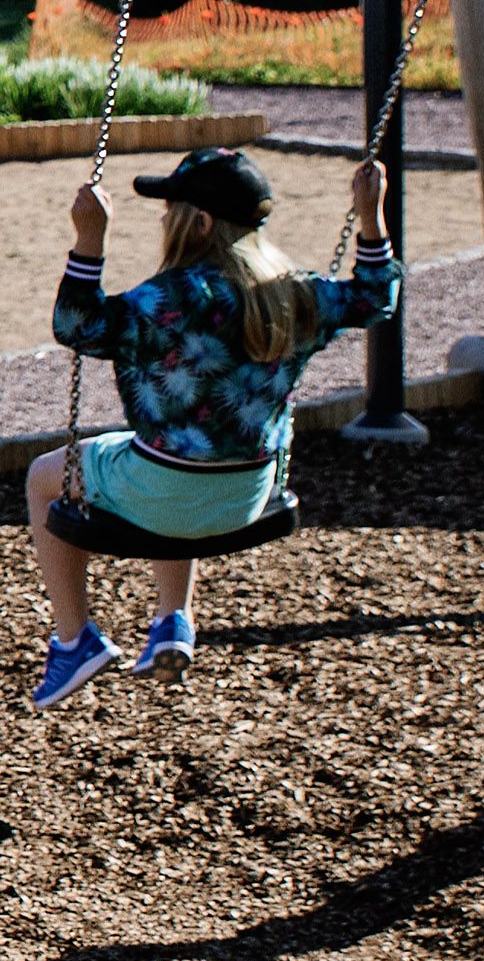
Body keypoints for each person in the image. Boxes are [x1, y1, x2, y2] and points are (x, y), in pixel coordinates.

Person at [25, 146, 398, 708]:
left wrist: (89, 241)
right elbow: (377, 299)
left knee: (43, 477)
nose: (162, 217)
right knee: (174, 457)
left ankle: (75, 639)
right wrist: (371, 217)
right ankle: (173, 620)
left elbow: (75, 326)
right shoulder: (296, 294)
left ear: (199, 222)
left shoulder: (165, 301)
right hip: (247, 496)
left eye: (170, 207)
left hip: (161, 492)